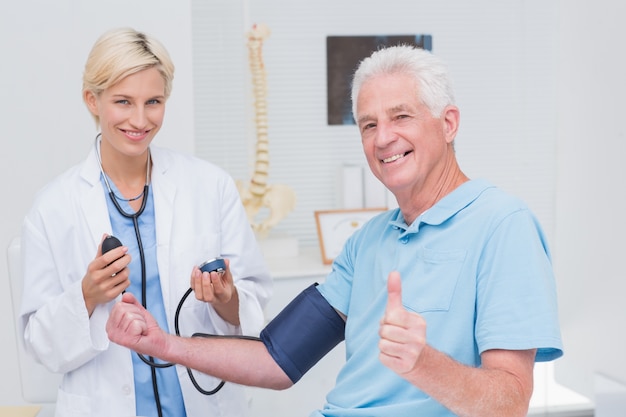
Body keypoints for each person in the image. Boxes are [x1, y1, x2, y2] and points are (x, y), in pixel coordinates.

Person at [106, 44, 563, 417]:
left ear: (448, 123)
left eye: (401, 116)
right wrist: (163, 343)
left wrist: (423, 364)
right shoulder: (368, 242)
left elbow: (510, 402)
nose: (382, 138)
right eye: (369, 124)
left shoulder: (503, 225)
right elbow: (276, 358)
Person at [18, 27, 272, 417]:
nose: (140, 119)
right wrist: (87, 295)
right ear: (92, 100)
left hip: (203, 403)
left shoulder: (210, 185)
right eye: (123, 101)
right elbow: (39, 344)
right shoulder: (53, 207)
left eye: (153, 101)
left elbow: (254, 304)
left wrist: (227, 299)